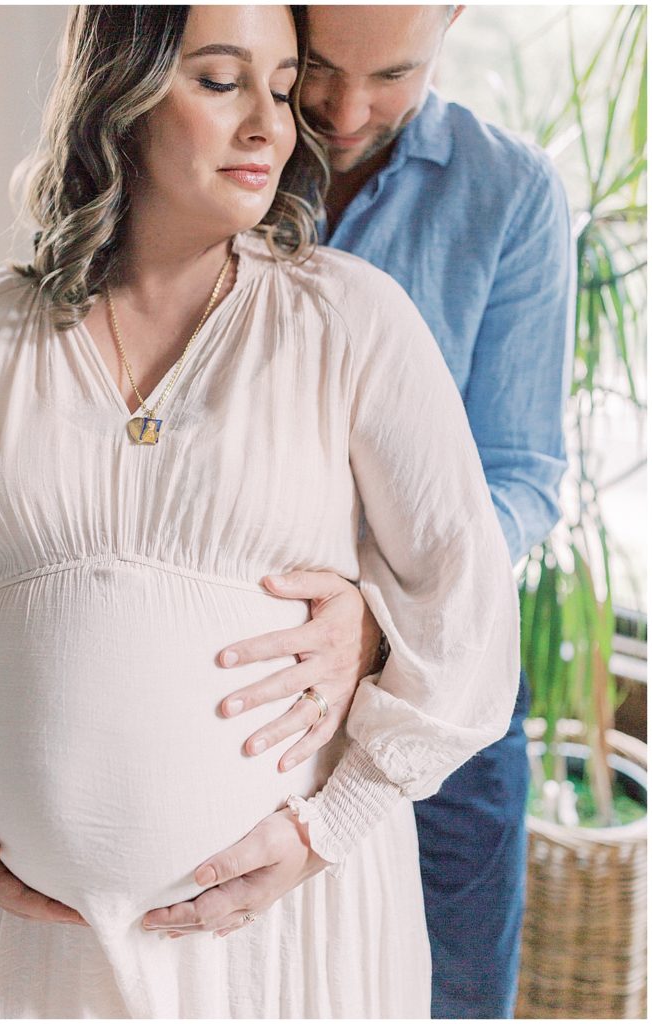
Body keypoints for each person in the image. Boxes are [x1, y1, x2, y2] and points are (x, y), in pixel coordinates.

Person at [0, 5, 519, 1019]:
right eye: (222, 82)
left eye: (279, 87)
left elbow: (468, 613)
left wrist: (325, 829)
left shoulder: (350, 320)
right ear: (118, 92)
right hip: (31, 945)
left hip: (286, 934)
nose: (272, 125)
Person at [123, 5, 573, 1020]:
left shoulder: (508, 194)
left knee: (452, 995)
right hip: (246, 693)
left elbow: (521, 472)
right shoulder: (212, 147)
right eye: (317, 69)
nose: (344, 110)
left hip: (437, 686)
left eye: (393, 76)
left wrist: (379, 614)